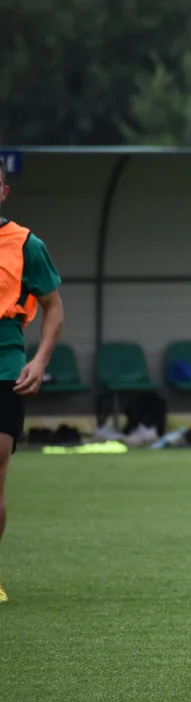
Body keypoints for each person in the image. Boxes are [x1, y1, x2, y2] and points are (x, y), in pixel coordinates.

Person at [0, 161, 65, 604]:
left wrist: (40, 360)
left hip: (5, 369)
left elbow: (54, 307)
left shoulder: (25, 244)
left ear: (3, 193)